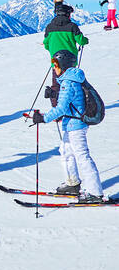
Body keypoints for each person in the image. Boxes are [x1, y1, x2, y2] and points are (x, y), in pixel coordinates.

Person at [27, 50, 107, 203]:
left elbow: (62, 108)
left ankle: (95, 193)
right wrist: (54, 95)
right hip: (72, 124)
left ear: (63, 65)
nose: (54, 68)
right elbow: (72, 101)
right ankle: (72, 184)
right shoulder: (70, 81)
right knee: (65, 152)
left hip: (76, 125)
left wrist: (43, 118)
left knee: (82, 156)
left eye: (55, 65)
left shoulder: (68, 83)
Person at [43, 0, 87, 108]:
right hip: (70, 62)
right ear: (67, 14)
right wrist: (86, 40)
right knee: (72, 85)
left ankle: (56, 110)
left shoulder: (49, 27)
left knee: (56, 86)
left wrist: (52, 51)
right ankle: (73, 108)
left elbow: (46, 44)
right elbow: (81, 40)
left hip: (56, 62)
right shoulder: (72, 26)